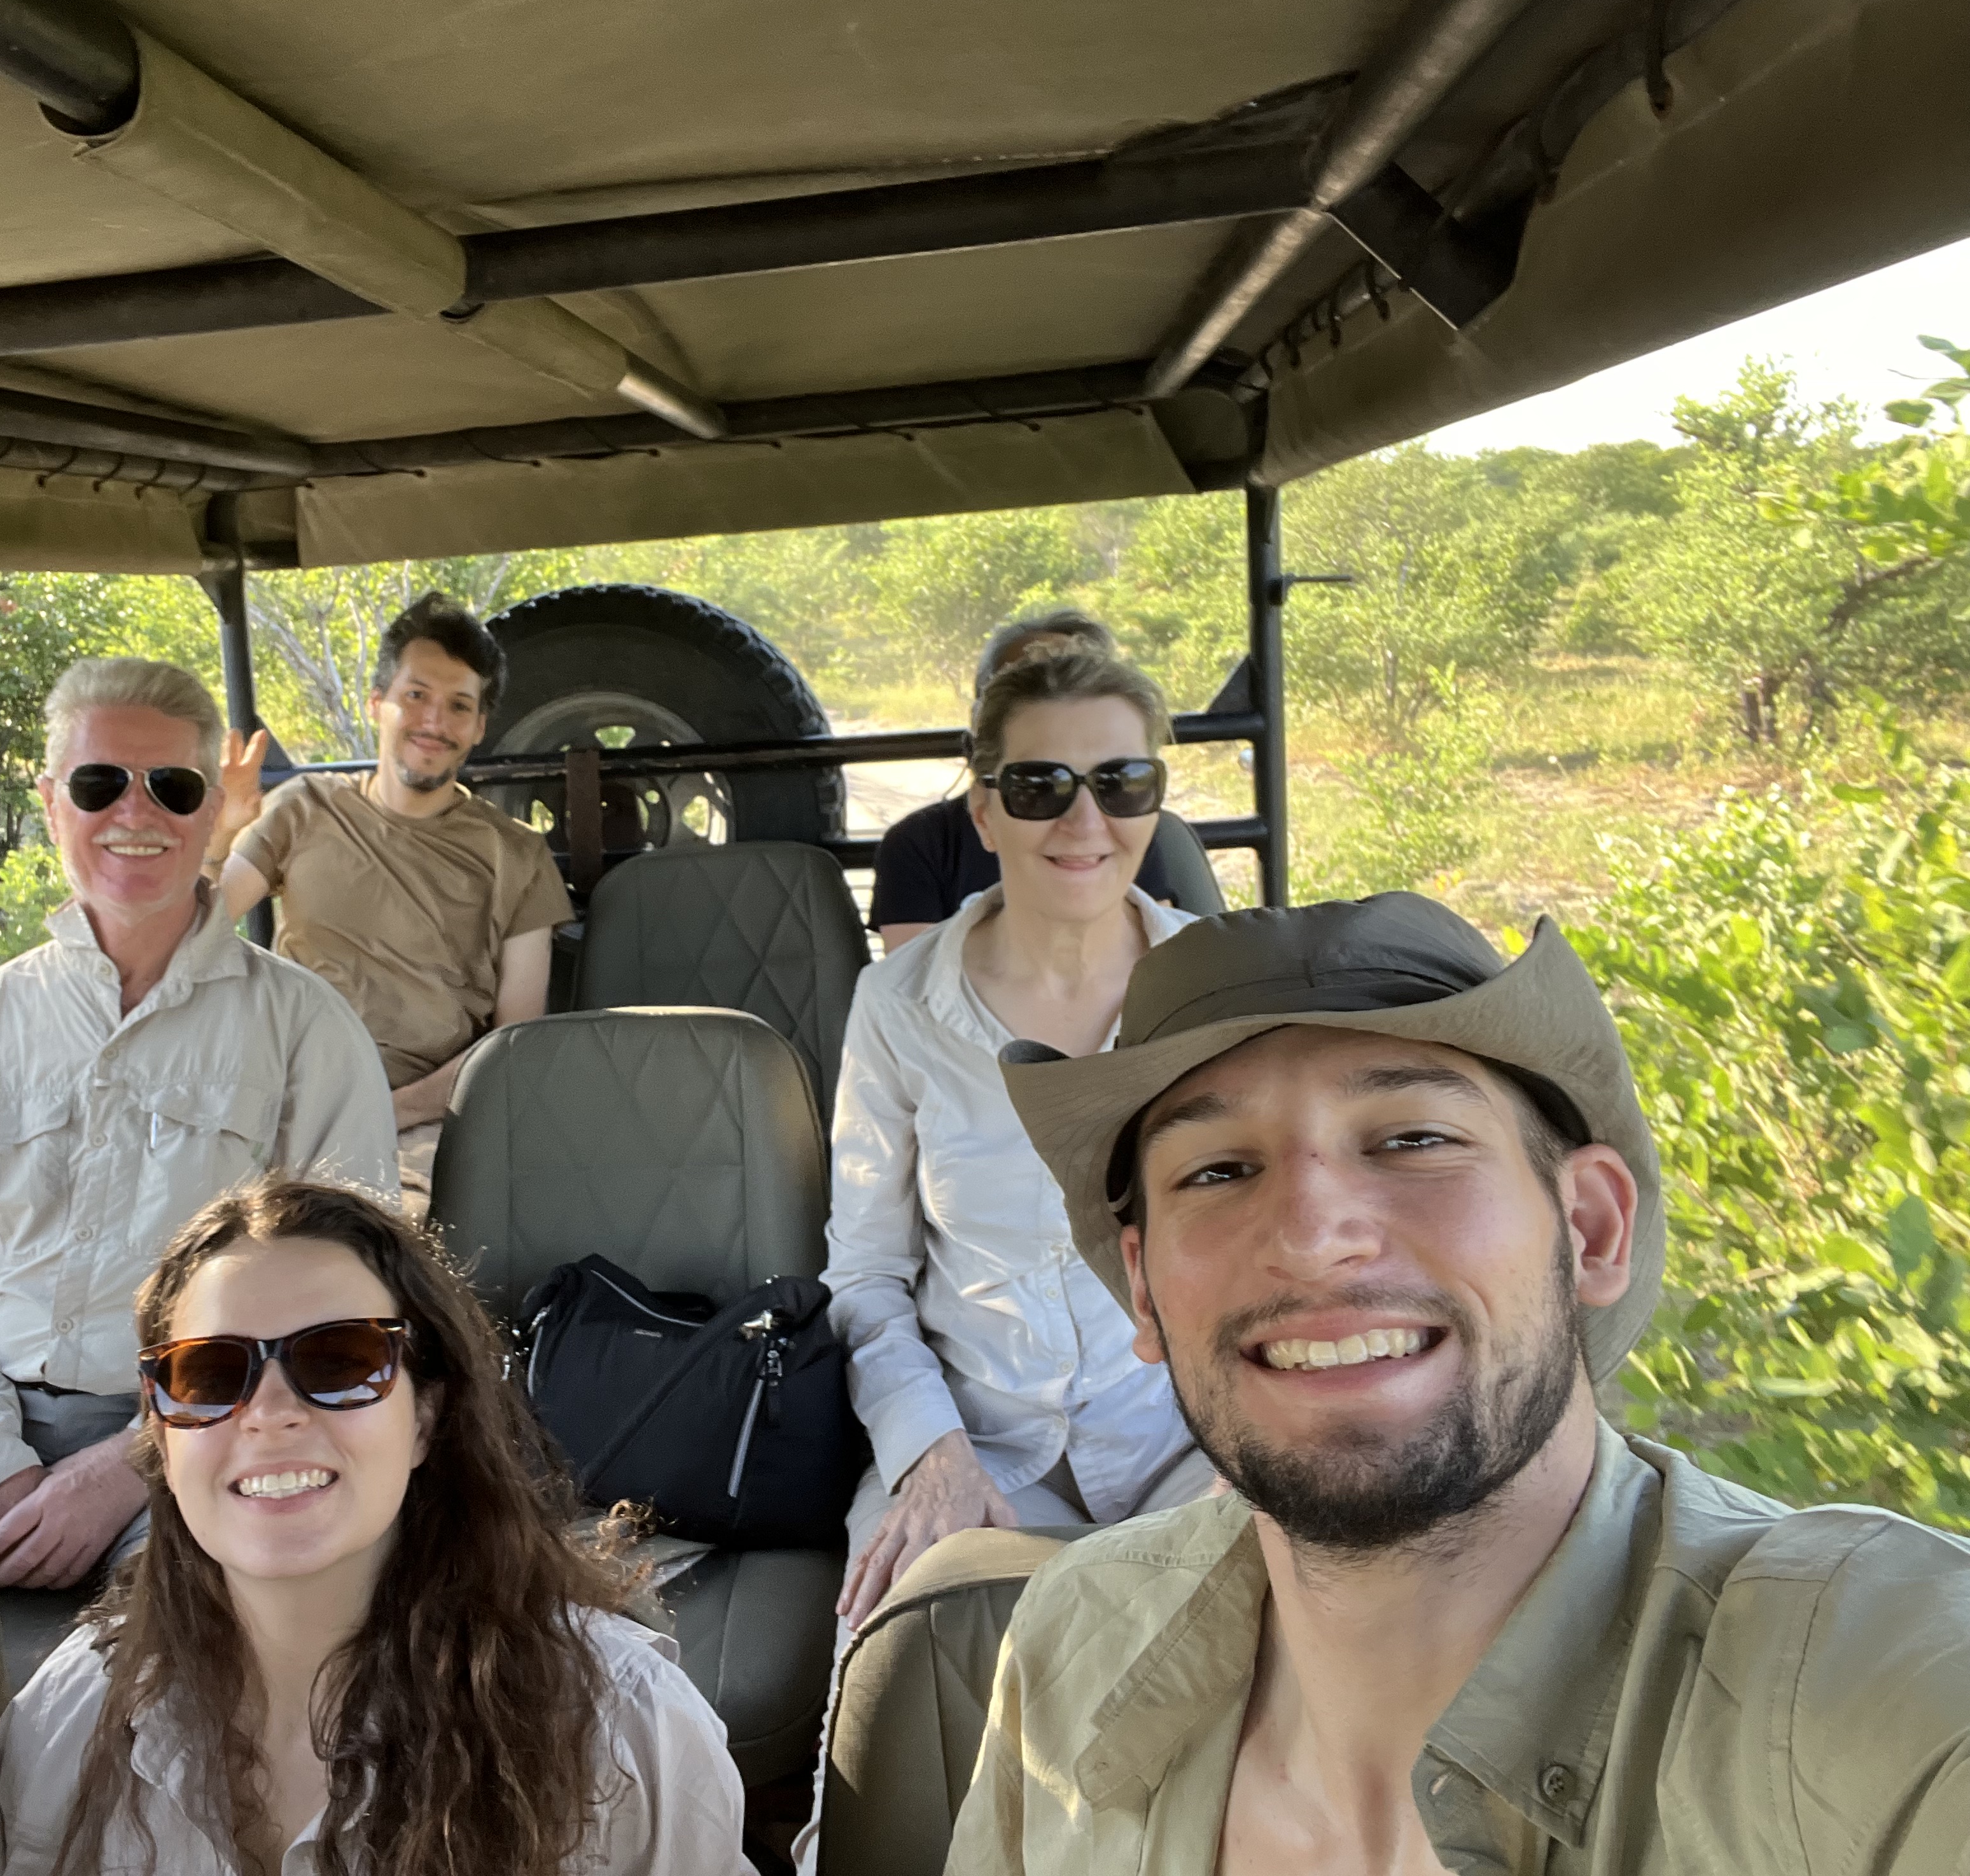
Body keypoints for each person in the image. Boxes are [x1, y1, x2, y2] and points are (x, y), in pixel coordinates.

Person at [948, 893, 1970, 1875]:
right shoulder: (1069, 1643)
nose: (1311, 1239)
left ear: (1590, 1231)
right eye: (1217, 1171)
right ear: (1144, 1290)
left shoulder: (1874, 1706)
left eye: (1412, 1141)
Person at [0, 657, 395, 1594]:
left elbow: (345, 1311)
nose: (134, 815)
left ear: (212, 810)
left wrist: (126, 1469)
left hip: (209, 1440)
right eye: (99, 784)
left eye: (173, 788)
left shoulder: (305, 1030)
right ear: (52, 803)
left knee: (176, 1646)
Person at [0, 1176, 752, 1876]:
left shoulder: (624, 1733)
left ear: (427, 1420)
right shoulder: (67, 1717)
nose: (269, 1414)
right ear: (163, 1440)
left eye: (340, 1362)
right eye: (209, 1374)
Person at [826, 650, 1209, 1632]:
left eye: (1122, 783)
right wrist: (932, 1455)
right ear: (986, 811)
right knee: (910, 1650)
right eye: (1042, 787)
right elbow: (866, 1276)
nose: (1086, 822)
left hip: (1193, 1441)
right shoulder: (898, 1006)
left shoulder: (1222, 989)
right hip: (980, 1440)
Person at [205, 597, 571, 1200]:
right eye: (417, 696)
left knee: (373, 1250)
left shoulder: (517, 856)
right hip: (274, 1105)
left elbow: (515, 1046)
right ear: (378, 703)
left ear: (479, 726)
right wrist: (216, 840)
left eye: (459, 706)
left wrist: (389, 1111)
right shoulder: (302, 808)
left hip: (421, 1125)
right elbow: (194, 939)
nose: (434, 721)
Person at [869, 609, 1177, 951]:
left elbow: (1159, 952)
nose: (1086, 823)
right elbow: (914, 981)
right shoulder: (921, 842)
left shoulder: (1124, 824)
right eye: (1027, 682)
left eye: (1118, 780)